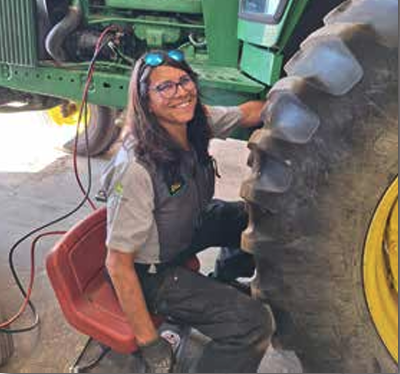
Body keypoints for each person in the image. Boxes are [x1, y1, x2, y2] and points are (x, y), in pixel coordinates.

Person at [102, 49, 275, 373]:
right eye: (164, 87)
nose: (180, 92)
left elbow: (248, 113)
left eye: (184, 80)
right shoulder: (136, 167)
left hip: (188, 227)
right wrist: (149, 341)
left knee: (254, 217)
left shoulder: (194, 121)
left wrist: (295, 99)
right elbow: (117, 264)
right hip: (151, 272)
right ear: (145, 101)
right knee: (253, 323)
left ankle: (224, 278)